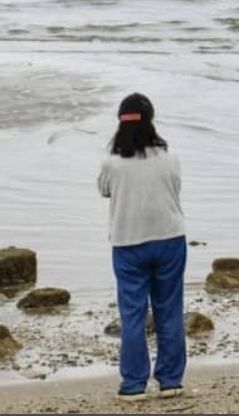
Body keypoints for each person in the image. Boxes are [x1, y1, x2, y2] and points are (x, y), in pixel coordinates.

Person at [97, 92, 187, 402]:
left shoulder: (112, 162)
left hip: (128, 242)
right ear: (150, 122)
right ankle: (170, 380)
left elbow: (104, 191)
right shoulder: (169, 156)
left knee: (133, 314)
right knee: (169, 310)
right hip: (170, 239)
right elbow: (174, 187)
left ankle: (134, 384)